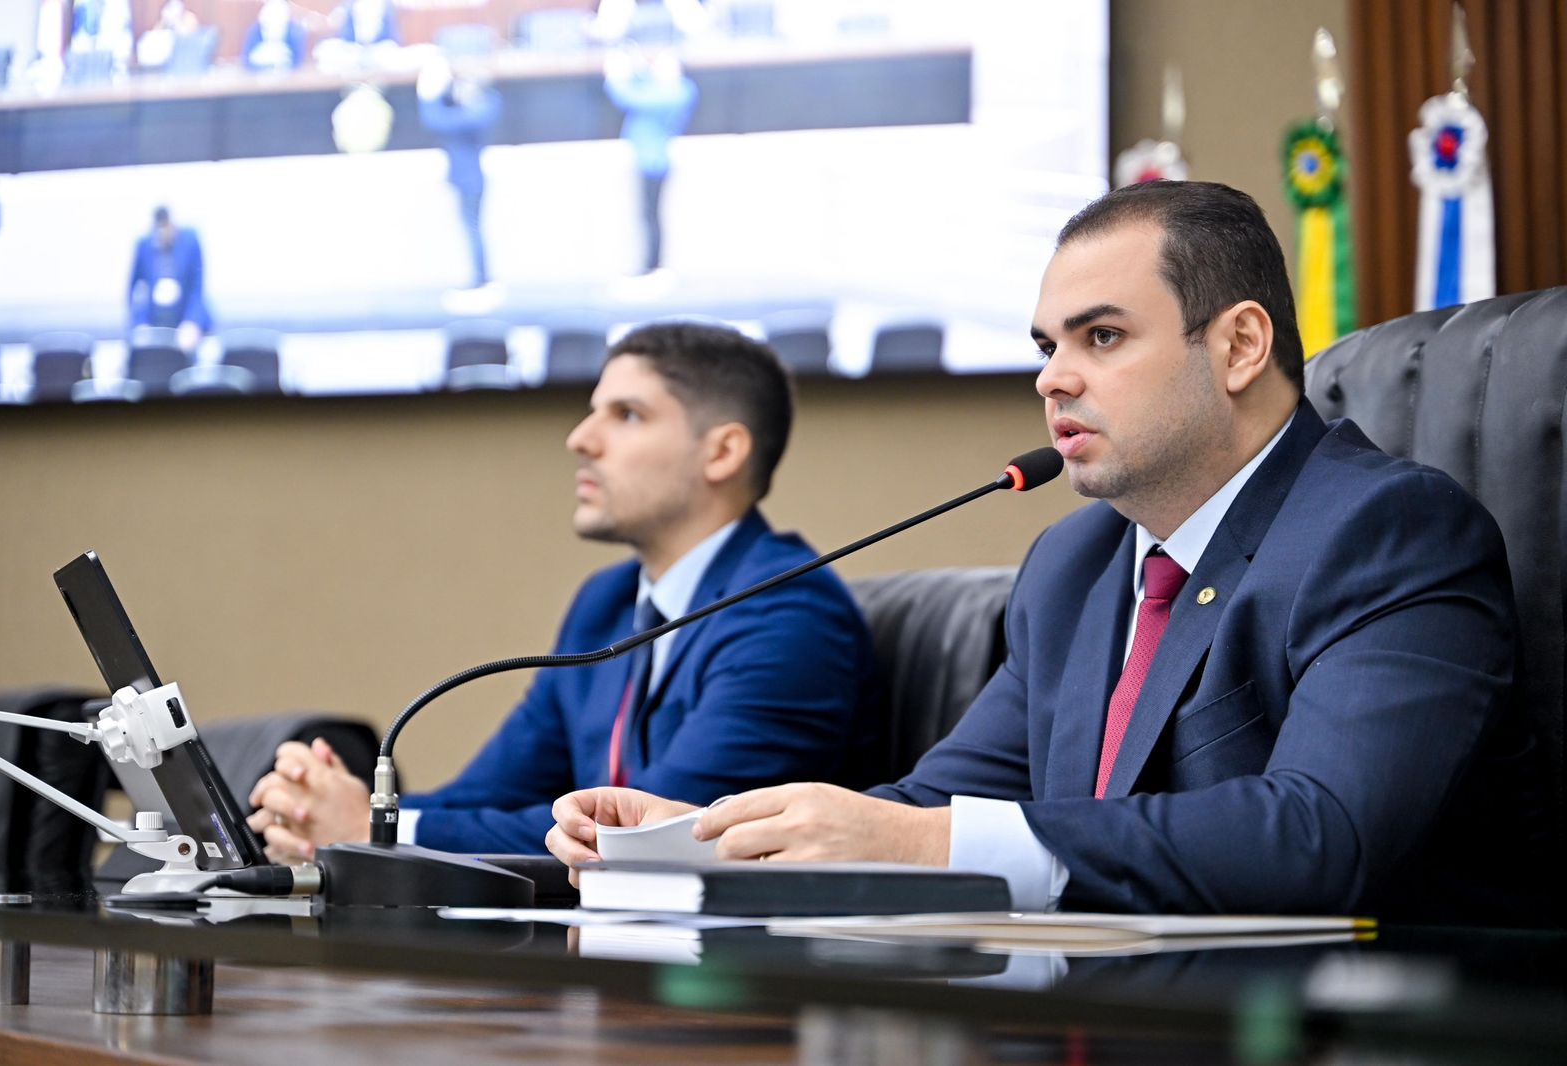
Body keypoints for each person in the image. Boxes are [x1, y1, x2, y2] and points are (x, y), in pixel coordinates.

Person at [546, 181, 1550, 925]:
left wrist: (919, 841)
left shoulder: (1389, 532)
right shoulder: (1074, 566)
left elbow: (1320, 836)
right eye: (1044, 347)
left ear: (1240, 346)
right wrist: (702, 839)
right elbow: (939, 803)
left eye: (1101, 338)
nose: (1053, 380)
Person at [248, 322, 880, 858]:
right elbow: (486, 797)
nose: (580, 439)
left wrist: (374, 831)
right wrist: (332, 814)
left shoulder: (790, 616)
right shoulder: (605, 606)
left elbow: (656, 836)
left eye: (626, 415)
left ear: (722, 452)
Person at [416, 56, 503, 307]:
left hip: (471, 180)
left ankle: (481, 281)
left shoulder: (478, 111)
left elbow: (437, 120)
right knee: (471, 228)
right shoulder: (475, 109)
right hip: (465, 178)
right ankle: (480, 279)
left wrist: (427, 96)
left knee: (473, 229)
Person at [604, 46, 697, 278]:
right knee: (646, 215)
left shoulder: (676, 93)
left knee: (652, 216)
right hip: (646, 160)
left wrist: (615, 76)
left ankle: (654, 266)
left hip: (655, 162)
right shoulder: (664, 89)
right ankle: (649, 265)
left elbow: (629, 97)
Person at [127, 206, 212, 352]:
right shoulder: (145, 245)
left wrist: (192, 321)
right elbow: (134, 289)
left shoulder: (190, 241)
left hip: (186, 317)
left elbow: (197, 287)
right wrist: (140, 323)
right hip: (155, 319)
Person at [242, 0, 307, 73]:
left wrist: (282, 62)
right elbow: (246, 61)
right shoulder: (254, 32)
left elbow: (298, 64)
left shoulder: (294, 33)